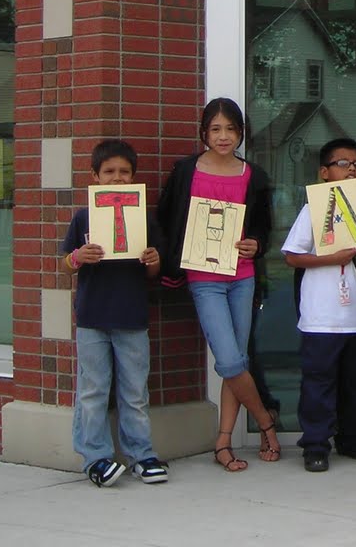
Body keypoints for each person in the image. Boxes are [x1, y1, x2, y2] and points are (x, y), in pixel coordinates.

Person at [156, 97, 278, 473]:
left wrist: (256, 244)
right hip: (203, 277)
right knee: (228, 360)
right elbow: (165, 218)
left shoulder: (252, 175)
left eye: (230, 129)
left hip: (241, 276)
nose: (223, 136)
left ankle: (223, 442)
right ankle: (266, 422)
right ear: (204, 133)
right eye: (215, 129)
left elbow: (263, 226)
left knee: (236, 360)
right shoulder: (185, 171)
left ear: (241, 133)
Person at [61, 138, 167, 487]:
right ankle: (95, 458)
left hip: (132, 318)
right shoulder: (83, 217)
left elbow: (154, 272)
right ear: (95, 177)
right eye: (109, 172)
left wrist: (153, 262)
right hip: (92, 318)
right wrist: (79, 257)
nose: (117, 178)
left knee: (134, 391)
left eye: (125, 172)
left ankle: (141, 454)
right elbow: (65, 265)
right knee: (92, 390)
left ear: (134, 178)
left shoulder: (144, 217)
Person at [282, 137, 356, 473]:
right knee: (319, 382)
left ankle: (353, 438)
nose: (351, 170)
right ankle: (315, 444)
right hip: (321, 316)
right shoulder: (313, 209)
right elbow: (293, 256)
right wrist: (332, 258)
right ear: (324, 172)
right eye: (343, 164)